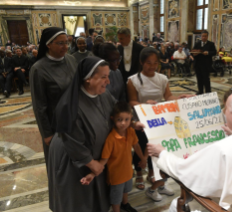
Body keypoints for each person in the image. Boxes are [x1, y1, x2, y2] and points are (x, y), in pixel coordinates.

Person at [48, 56, 144, 212]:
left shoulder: (103, 95)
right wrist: (91, 163)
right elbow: (72, 140)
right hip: (73, 159)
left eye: (108, 76)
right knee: (78, 199)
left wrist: (133, 123)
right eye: (104, 77)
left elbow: (118, 112)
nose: (109, 81)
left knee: (96, 198)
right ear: (88, 79)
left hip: (96, 157)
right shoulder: (70, 105)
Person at [127, 47, 193, 199]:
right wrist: (145, 106)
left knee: (157, 147)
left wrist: (179, 98)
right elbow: (131, 101)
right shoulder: (133, 80)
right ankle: (138, 173)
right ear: (141, 63)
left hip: (158, 120)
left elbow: (168, 97)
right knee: (142, 145)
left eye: (155, 63)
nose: (152, 66)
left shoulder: (162, 79)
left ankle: (155, 176)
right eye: (148, 63)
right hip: (141, 119)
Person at [81, 101, 146, 212]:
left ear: (131, 118)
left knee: (126, 190)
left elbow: (136, 145)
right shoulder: (111, 139)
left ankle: (125, 204)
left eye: (126, 119)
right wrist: (93, 174)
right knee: (116, 198)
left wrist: (143, 158)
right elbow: (104, 160)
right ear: (113, 119)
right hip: (116, 176)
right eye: (119, 119)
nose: (123, 123)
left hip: (128, 172)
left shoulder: (130, 131)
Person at [30, 27, 77, 167]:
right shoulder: (38, 69)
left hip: (76, 121)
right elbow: (39, 105)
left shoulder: (71, 59)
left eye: (67, 42)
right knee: (59, 165)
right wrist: (46, 133)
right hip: (55, 126)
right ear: (49, 44)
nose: (65, 47)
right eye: (60, 43)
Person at [192, 30, 217, 94]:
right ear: (201, 36)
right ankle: (200, 91)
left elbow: (214, 52)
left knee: (206, 79)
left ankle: (208, 92)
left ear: (207, 36)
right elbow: (193, 51)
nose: (204, 37)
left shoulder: (211, 44)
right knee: (199, 79)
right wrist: (195, 53)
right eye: (202, 36)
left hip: (206, 65)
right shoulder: (197, 43)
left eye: (205, 36)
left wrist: (208, 53)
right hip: (198, 64)